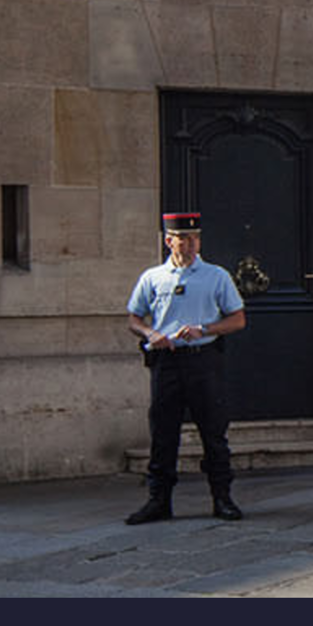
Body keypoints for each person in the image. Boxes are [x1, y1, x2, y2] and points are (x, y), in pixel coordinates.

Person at [121, 211, 246, 524]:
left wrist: (204, 329)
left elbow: (237, 319)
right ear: (169, 241)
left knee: (213, 431)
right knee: (163, 433)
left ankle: (222, 497)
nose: (190, 245)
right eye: (183, 239)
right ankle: (158, 500)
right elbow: (134, 318)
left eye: (195, 238)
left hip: (203, 360)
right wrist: (152, 334)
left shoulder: (216, 276)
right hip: (167, 362)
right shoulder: (153, 278)